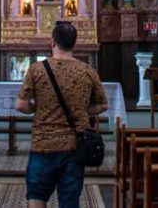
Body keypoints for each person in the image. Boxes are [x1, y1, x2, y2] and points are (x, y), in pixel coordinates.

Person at [15, 22, 108, 208]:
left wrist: (38, 108)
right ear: (74, 43)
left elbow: (21, 105)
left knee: (36, 197)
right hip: (75, 145)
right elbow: (102, 105)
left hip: (43, 143)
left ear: (52, 42)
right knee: (69, 201)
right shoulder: (88, 71)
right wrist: (81, 111)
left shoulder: (36, 69)